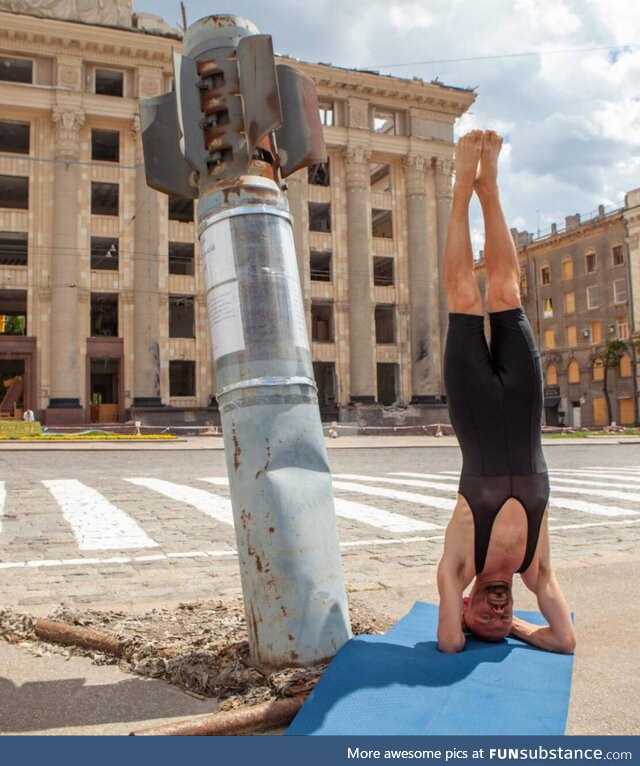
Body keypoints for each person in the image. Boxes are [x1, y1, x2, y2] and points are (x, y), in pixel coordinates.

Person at [436, 130, 576, 655]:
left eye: (485, 617)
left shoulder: (459, 566)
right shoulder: (535, 570)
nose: (498, 610)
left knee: (464, 296)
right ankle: (489, 189)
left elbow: (449, 645)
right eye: (505, 616)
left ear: (467, 607)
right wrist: (518, 630)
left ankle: (460, 191)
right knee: (507, 294)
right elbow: (565, 640)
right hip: (523, 409)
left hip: (473, 409)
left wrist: (468, 625)